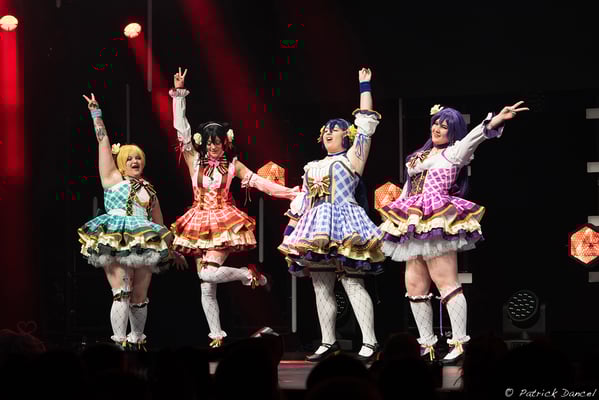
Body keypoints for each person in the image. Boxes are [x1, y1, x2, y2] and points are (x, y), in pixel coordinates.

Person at [378, 101, 529, 363]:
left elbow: (477, 136)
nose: (437, 129)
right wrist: (394, 219)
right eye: (435, 123)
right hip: (412, 217)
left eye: (444, 126)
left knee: (445, 281)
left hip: (436, 217)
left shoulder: (454, 152)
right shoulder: (418, 156)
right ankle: (427, 344)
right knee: (414, 284)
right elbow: (407, 190)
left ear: (453, 131)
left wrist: (497, 119)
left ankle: (459, 343)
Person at [169, 68, 299, 348]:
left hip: (223, 221)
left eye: (218, 142)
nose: (214, 147)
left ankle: (249, 275)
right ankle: (216, 335)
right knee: (206, 285)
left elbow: (260, 183)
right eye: (210, 143)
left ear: (226, 142)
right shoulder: (194, 160)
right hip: (198, 221)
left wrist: (290, 193)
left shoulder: (234, 165)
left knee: (207, 273)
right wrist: (179, 95)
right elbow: (182, 130)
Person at [278, 68, 384, 362]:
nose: (327, 132)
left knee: (352, 281)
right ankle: (328, 342)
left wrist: (364, 86)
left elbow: (366, 124)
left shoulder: (353, 158)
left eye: (334, 129)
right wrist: (292, 230)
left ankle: (370, 342)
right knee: (320, 284)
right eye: (325, 129)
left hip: (345, 222)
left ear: (346, 136)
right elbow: (303, 200)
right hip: (317, 225)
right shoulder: (311, 166)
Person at [78, 93, 185, 350]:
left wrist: (174, 250)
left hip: (144, 241)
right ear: (120, 163)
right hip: (118, 237)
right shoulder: (112, 179)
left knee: (139, 295)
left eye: (137, 158)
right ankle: (119, 344)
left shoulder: (149, 189)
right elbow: (102, 141)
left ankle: (137, 342)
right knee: (122, 290)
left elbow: (159, 223)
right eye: (129, 158)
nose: (135, 161)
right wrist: (96, 114)